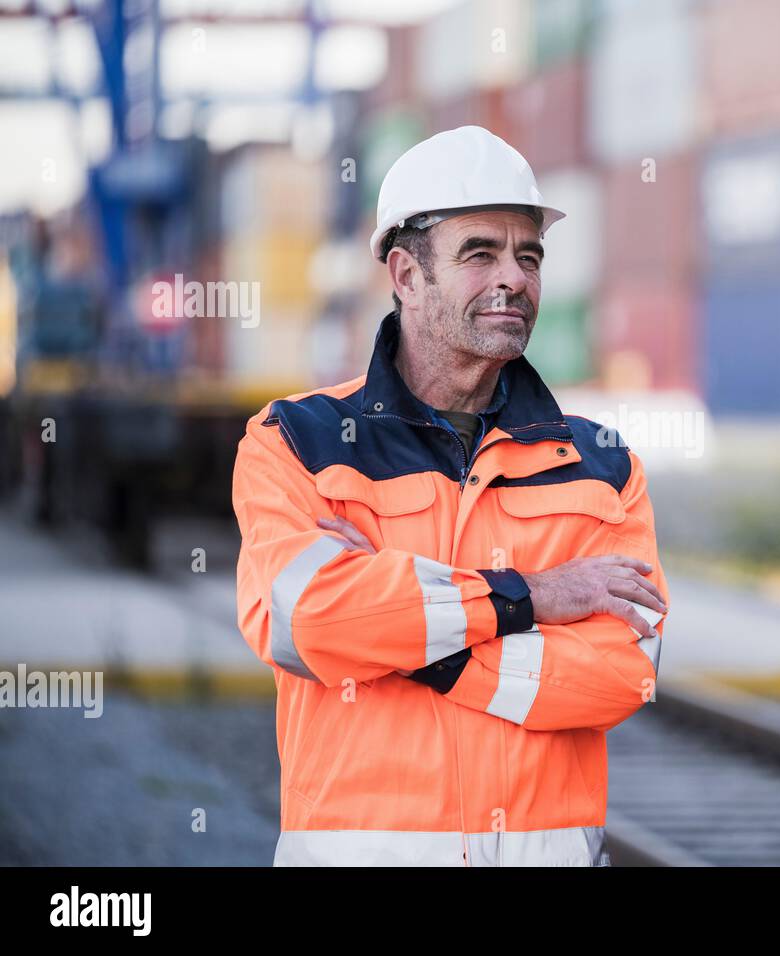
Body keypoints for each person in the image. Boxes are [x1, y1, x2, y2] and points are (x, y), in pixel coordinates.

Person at [231, 126, 669, 866]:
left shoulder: (601, 465)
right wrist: (529, 598)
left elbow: (624, 670)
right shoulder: (297, 441)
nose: (515, 279)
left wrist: (417, 649)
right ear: (405, 274)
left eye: (528, 255)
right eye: (480, 254)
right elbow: (305, 620)